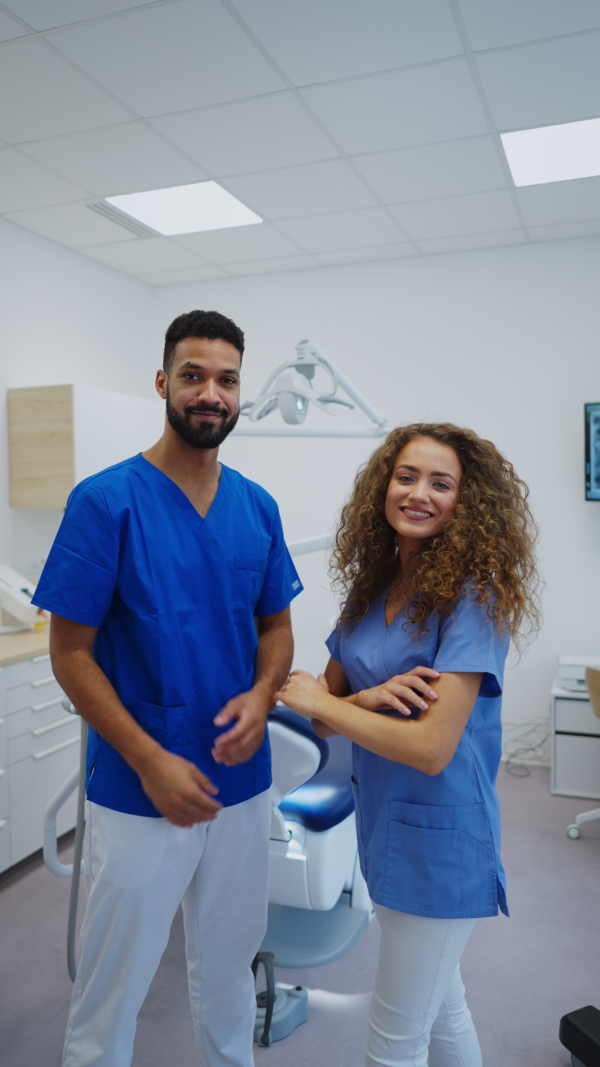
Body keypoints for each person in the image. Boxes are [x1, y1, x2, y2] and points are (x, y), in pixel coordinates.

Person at [32, 310, 303, 1067]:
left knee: (227, 970)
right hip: (137, 787)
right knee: (111, 989)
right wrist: (149, 757)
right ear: (163, 382)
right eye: (193, 375)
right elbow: (70, 652)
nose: (209, 392)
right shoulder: (105, 501)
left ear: (240, 390)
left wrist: (262, 693)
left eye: (225, 378)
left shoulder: (257, 506)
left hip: (242, 786)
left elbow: (277, 630)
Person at [275, 423, 540, 1067]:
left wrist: (320, 701)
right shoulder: (372, 590)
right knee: (444, 1013)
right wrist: (351, 702)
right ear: (382, 488)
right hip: (384, 829)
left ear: (467, 502)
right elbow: (323, 722)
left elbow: (429, 749)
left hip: (442, 839)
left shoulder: (475, 597)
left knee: (393, 1044)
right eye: (406, 476)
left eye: (440, 483)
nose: (419, 492)